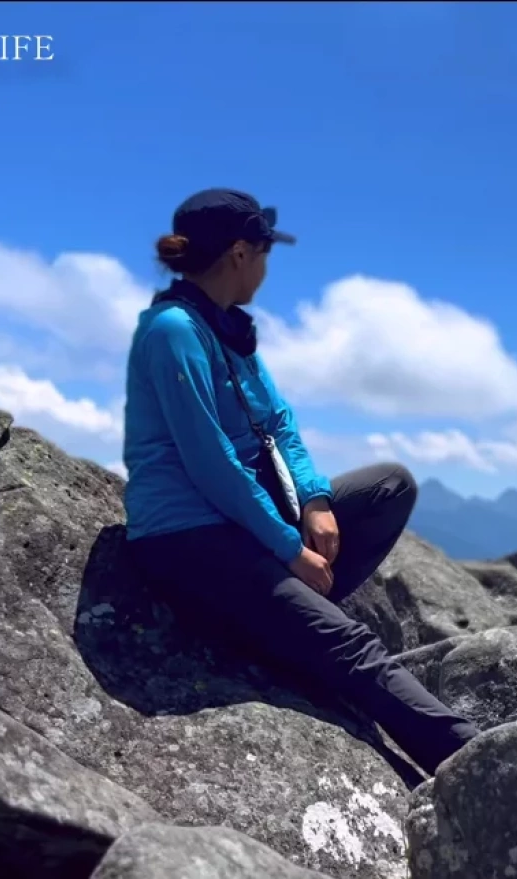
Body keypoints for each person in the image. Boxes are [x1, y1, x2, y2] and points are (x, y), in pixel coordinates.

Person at [121, 188, 479, 777]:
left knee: (390, 486)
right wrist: (289, 551)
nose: (265, 268)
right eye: (262, 254)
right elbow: (210, 465)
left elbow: (280, 422)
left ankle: (283, 625)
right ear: (240, 253)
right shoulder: (173, 332)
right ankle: (479, 761)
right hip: (190, 538)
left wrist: (314, 500)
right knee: (353, 649)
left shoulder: (228, 330)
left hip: (241, 521)